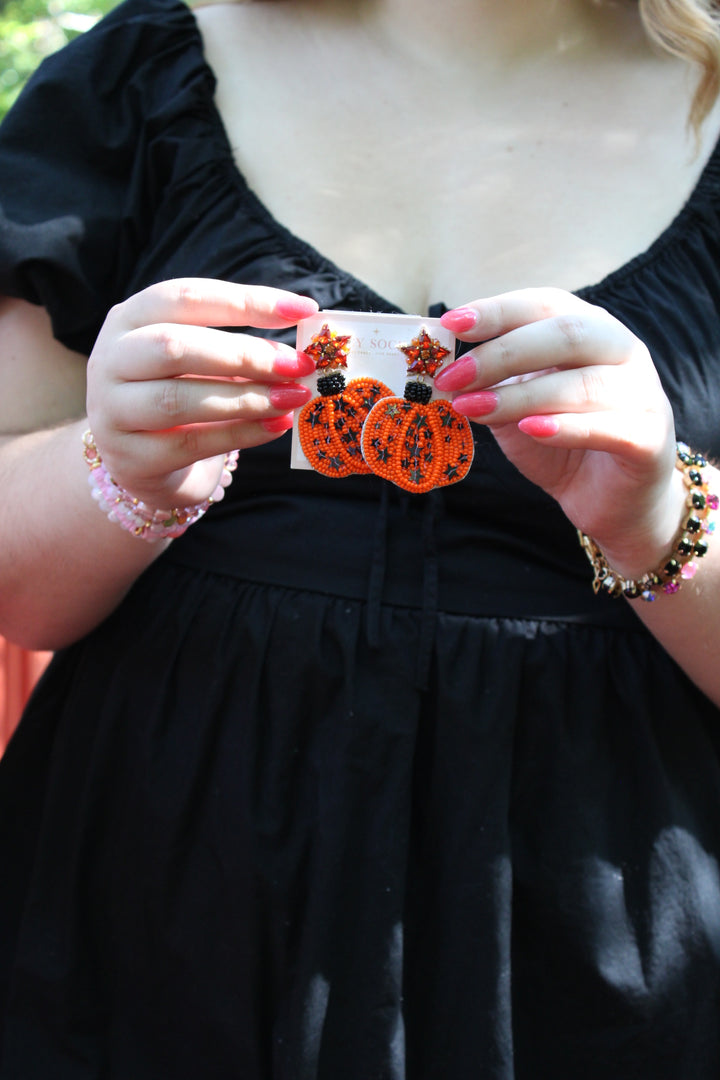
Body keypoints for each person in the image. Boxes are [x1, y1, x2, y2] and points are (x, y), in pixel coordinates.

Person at [1, 0, 720, 1074]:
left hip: (598, 949)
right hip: (163, 913)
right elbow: (20, 596)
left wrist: (661, 516)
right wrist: (120, 464)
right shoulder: (136, 80)